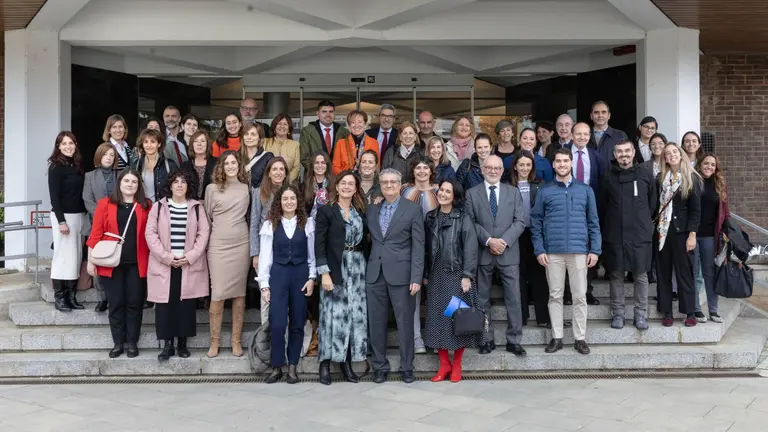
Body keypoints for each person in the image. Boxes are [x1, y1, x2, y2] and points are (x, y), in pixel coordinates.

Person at [531, 148, 601, 355]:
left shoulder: (585, 190)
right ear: (553, 165)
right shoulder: (544, 190)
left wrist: (595, 250)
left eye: (565, 161)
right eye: (558, 161)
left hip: (579, 250)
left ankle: (580, 338)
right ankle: (557, 337)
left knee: (580, 296)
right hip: (552, 252)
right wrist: (539, 249)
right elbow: (536, 222)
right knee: (555, 295)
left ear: (571, 163)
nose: (562, 164)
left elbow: (593, 222)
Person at [366, 168, 425, 384]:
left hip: (402, 274)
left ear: (400, 185)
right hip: (374, 274)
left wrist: (416, 277)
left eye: (393, 182)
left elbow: (419, 245)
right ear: (380, 185)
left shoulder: (412, 209)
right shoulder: (372, 210)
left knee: (405, 323)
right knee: (376, 323)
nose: (389, 185)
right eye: (384, 182)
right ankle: (379, 366)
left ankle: (407, 367)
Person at [86, 169, 151, 358]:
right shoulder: (105, 204)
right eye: (126, 181)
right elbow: (95, 234)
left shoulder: (146, 205)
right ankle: (118, 343)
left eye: (134, 182)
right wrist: (91, 261)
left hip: (137, 263)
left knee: (134, 304)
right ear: (119, 183)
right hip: (110, 263)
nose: (130, 184)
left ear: (138, 185)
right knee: (115, 303)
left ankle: (132, 342)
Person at [146, 169, 210, 361]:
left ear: (189, 185)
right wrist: (166, 257)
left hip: (187, 264)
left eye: (183, 181)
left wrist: (190, 257)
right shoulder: (158, 207)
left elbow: (203, 234)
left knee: (185, 305)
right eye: (176, 182)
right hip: (165, 264)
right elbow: (150, 234)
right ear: (170, 185)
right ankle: (167, 345)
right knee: (165, 306)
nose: (179, 185)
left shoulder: (197, 207)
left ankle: (182, 343)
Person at [465, 155, 526, 356]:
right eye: (489, 167)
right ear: (482, 169)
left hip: (508, 253)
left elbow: (520, 221)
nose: (493, 171)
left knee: (514, 298)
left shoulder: (513, 192)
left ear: (502, 170)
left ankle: (514, 340)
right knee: (482, 299)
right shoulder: (471, 194)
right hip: (483, 252)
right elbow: (470, 222)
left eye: (497, 168)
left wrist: (503, 241)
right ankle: (486, 338)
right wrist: (489, 241)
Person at [315, 170, 369, 385]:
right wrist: (324, 273)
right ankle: (325, 363)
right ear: (336, 187)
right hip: (335, 268)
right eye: (343, 183)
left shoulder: (359, 211)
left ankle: (346, 362)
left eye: (351, 184)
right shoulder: (326, 211)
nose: (347, 187)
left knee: (353, 317)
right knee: (331, 316)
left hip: (357, 269)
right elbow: (319, 243)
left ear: (356, 188)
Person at [258, 185, 316, 384]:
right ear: (279, 202)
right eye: (285, 199)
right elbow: (265, 257)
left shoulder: (307, 224)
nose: (289, 202)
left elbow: (312, 256)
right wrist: (264, 285)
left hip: (300, 275)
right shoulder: (270, 225)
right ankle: (276, 366)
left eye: (293, 198)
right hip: (279, 275)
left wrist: (311, 278)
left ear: (298, 201)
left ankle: (292, 366)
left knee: (298, 322)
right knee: (278, 323)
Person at [424, 178, 479, 383]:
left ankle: (456, 364)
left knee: (457, 318)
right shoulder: (430, 217)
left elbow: (471, 248)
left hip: (456, 274)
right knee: (437, 319)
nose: (443, 194)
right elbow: (426, 248)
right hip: (435, 274)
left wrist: (467, 275)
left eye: (448, 191)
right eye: (441, 190)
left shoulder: (463, 218)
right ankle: (443, 364)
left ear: (454, 196)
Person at [599, 141, 657, 330]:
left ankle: (640, 315)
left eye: (627, 151)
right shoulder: (608, 176)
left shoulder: (646, 174)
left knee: (641, 275)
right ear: (615, 154)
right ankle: (618, 314)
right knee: (616, 275)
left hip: (639, 233)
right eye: (620, 151)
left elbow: (652, 203)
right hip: (615, 233)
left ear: (633, 152)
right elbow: (603, 205)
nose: (624, 155)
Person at [204, 150, 251, 357]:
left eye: (234, 163)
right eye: (227, 163)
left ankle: (236, 341)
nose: (231, 166)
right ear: (221, 166)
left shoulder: (246, 188)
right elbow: (206, 217)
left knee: (239, 292)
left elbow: (249, 215)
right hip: (218, 245)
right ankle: (214, 342)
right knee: (218, 292)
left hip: (241, 243)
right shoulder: (211, 188)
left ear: (239, 166)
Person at [655, 143, 701, 327]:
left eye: (675, 152)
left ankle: (690, 312)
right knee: (663, 273)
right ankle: (667, 312)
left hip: (683, 233)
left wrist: (692, 235)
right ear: (664, 158)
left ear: (681, 154)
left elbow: (696, 211)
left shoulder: (692, 178)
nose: (672, 155)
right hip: (662, 232)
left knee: (685, 273)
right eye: (668, 153)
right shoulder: (660, 178)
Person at [400, 157, 439, 353]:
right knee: (413, 294)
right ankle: (416, 338)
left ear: (431, 171)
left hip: (435, 250)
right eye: (418, 167)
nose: (422, 171)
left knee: (436, 294)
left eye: (426, 167)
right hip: (410, 249)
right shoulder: (404, 191)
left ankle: (435, 336)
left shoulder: (440, 191)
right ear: (413, 171)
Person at [509, 151, 550, 328]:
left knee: (539, 275)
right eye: (521, 164)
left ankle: (543, 317)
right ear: (515, 166)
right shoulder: (508, 185)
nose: (525, 168)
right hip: (515, 235)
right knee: (518, 276)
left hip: (535, 234)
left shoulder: (540, 184)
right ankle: (522, 316)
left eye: (528, 165)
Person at [48, 131, 88, 312]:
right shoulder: (56, 167)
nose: (68, 147)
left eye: (71, 143)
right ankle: (60, 297)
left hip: (79, 215)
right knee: (62, 257)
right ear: (58, 147)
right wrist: (61, 221)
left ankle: (71, 296)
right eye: (64, 144)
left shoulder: (77, 165)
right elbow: (54, 198)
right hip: (63, 217)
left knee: (76, 257)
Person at [566, 122, 605, 306]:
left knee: (588, 250)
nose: (582, 137)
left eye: (585, 134)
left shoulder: (596, 156)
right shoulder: (561, 153)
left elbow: (600, 183)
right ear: (572, 135)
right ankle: (567, 292)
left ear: (590, 136)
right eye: (578, 134)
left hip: (588, 207)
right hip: (565, 208)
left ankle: (587, 290)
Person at [249, 157, 290, 323]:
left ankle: (283, 337)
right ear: (269, 172)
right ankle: (266, 339)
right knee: (266, 295)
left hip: (286, 250)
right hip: (265, 250)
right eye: (275, 169)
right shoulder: (259, 192)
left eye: (281, 169)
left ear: (286, 173)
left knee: (284, 295)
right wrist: (255, 254)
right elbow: (253, 223)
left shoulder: (291, 191)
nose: (278, 172)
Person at [82, 143, 118, 312]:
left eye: (112, 155)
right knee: (97, 260)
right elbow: (87, 200)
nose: (109, 158)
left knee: (114, 258)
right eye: (105, 155)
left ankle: (114, 296)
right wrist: (102, 217)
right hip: (95, 224)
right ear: (99, 156)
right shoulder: (90, 176)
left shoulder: (120, 175)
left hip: (116, 225)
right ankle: (102, 298)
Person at [695, 153, 730, 323]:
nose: (709, 167)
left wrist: (728, 230)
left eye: (712, 165)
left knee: (710, 273)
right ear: (700, 164)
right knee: (694, 274)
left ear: (716, 168)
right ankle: (695, 309)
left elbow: (726, 211)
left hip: (710, 236)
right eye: (706, 163)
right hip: (692, 235)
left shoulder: (719, 185)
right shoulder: (692, 180)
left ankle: (713, 311)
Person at [299, 100, 349, 172]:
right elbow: (304, 158)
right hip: (314, 177)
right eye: (324, 112)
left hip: (338, 177)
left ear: (334, 113)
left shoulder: (344, 132)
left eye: (331, 112)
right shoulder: (307, 132)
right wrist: (319, 171)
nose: (328, 115)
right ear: (318, 114)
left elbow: (347, 157)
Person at [132, 128, 178, 203]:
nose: (149, 145)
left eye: (152, 142)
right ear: (142, 144)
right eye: (145, 142)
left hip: (163, 208)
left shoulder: (169, 165)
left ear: (159, 144)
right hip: (142, 207)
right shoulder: (136, 165)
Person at [333, 110, 379, 175]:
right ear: (349, 126)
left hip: (367, 180)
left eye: (359, 122)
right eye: (353, 122)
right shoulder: (341, 143)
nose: (356, 125)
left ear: (365, 125)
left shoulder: (373, 142)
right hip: (346, 181)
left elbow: (377, 165)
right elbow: (335, 167)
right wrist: (345, 178)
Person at [264, 114, 301, 182]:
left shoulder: (295, 145)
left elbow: (296, 167)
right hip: (269, 183)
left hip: (288, 184)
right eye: (279, 123)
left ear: (289, 129)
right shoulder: (265, 143)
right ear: (274, 127)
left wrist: (286, 181)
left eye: (285, 124)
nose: (282, 126)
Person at [181, 130, 217, 201]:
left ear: (207, 144)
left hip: (212, 204)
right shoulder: (184, 166)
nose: (199, 144)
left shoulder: (217, 163)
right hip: (191, 205)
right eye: (196, 141)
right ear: (192, 145)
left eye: (203, 141)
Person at [238, 122, 274, 188]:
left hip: (260, 196)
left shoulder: (268, 157)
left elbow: (270, 182)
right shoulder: (236, 157)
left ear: (259, 138)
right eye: (246, 134)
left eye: (253, 134)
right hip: (240, 196)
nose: (249, 137)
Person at [303, 151, 333, 217]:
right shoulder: (304, 186)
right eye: (316, 163)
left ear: (327, 165)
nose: (320, 166)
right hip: (309, 223)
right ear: (312, 165)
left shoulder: (333, 185)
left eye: (323, 163)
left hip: (328, 223)